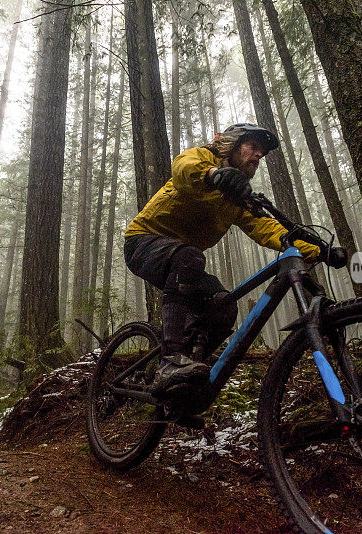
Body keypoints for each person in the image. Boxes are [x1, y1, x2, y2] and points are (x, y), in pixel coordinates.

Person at [124, 123, 321, 397]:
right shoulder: (203, 160)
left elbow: (268, 229)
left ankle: (190, 371)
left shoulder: (238, 198)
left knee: (224, 306)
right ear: (231, 144)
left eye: (261, 153)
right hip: (142, 241)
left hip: (183, 259)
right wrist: (215, 174)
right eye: (252, 147)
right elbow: (184, 169)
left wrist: (315, 249)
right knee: (189, 258)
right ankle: (171, 360)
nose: (258, 156)